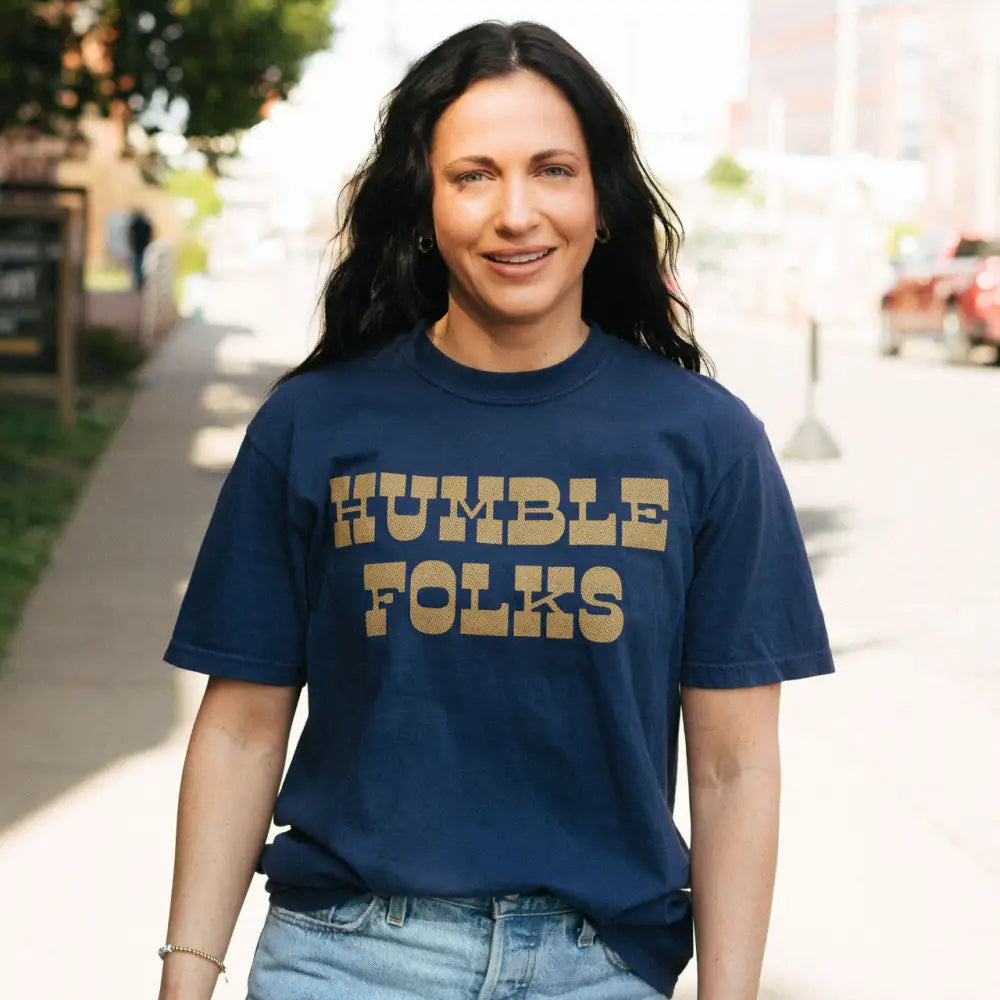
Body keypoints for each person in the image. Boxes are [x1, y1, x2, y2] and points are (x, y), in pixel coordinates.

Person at [157, 21, 834, 1000]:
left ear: (600, 200)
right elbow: (241, 731)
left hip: (599, 968)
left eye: (552, 170)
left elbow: (735, 768)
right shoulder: (314, 424)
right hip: (346, 960)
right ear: (424, 209)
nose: (517, 213)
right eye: (473, 176)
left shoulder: (707, 441)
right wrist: (185, 979)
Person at [127, 208, 153, 291]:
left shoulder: (136, 224)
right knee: (143, 266)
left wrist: (131, 243)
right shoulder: (146, 225)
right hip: (144, 247)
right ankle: (142, 282)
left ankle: (140, 283)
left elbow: (130, 235)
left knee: (138, 266)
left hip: (138, 247)